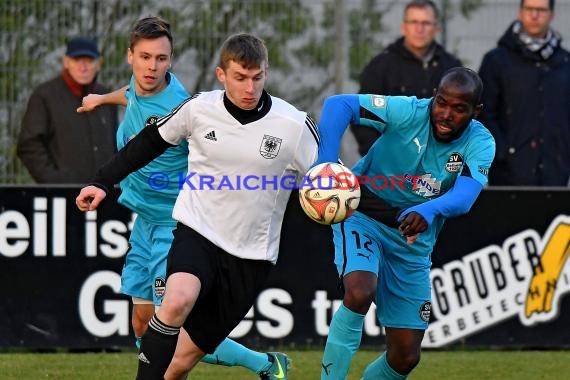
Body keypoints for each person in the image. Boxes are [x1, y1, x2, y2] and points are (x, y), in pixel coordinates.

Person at [76, 32, 318, 379]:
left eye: (257, 78)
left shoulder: (293, 124)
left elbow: (333, 181)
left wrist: (392, 212)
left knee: (175, 367)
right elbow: (148, 142)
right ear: (222, 75)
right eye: (239, 77)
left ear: (266, 72)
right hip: (196, 232)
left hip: (250, 256)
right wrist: (102, 181)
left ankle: (265, 364)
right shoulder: (199, 108)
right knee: (174, 302)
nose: (249, 88)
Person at [316, 67, 495, 379]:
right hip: (363, 214)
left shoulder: (481, 142)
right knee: (360, 290)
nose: (445, 114)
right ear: (433, 98)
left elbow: (465, 196)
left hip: (412, 241)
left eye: (458, 108)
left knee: (405, 356)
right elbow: (338, 105)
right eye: (441, 102)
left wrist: (428, 211)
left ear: (475, 111)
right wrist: (325, 164)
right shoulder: (409, 111)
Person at [351, 0, 462, 156]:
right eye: (414, 22)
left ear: (437, 28)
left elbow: (463, 117)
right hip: (390, 165)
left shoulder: (452, 68)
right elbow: (362, 117)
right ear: (403, 27)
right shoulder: (381, 66)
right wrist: (380, 156)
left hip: (438, 163)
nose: (419, 29)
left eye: (426, 23)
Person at [478, 0, 570, 186]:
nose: (534, 15)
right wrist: (501, 152)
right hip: (507, 174)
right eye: (529, 9)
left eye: (541, 10)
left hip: (555, 171)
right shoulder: (496, 61)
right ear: (520, 12)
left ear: (551, 15)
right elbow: (483, 112)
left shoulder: (564, 63)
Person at [17, 36, 118, 183]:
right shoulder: (45, 96)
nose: (83, 67)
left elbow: (116, 144)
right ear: (66, 62)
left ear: (99, 64)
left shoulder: (106, 97)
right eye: (77, 60)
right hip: (63, 197)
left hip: (104, 193)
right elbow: (29, 145)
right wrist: (55, 182)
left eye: (89, 60)